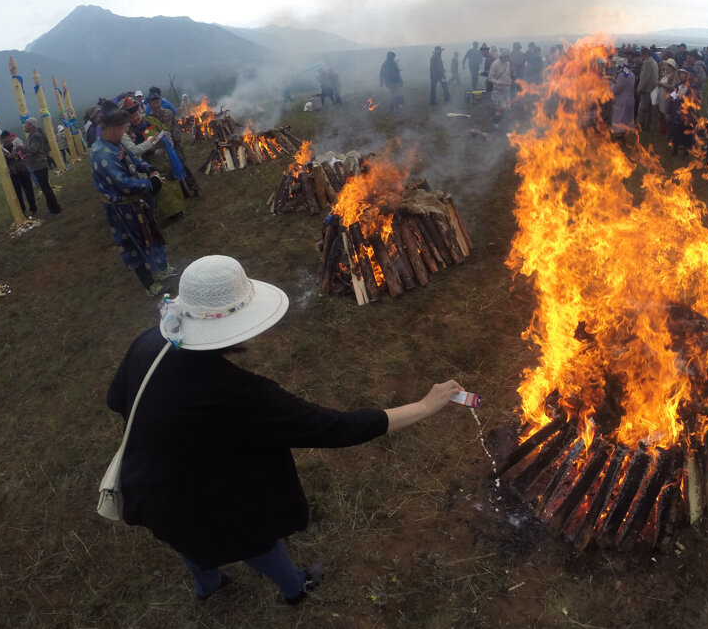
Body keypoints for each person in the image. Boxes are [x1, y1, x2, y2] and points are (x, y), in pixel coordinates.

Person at [106, 254, 464, 603]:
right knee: (252, 539)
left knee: (187, 538)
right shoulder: (241, 395)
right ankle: (295, 587)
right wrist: (423, 406)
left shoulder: (149, 342)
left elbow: (115, 398)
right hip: (212, 499)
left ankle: (208, 585)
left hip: (151, 487)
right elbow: (335, 428)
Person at [90, 100, 174, 295]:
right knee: (134, 245)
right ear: (112, 128)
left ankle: (161, 269)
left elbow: (133, 159)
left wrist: (149, 168)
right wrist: (150, 184)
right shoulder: (100, 153)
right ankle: (149, 284)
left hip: (137, 201)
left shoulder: (116, 142)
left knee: (152, 235)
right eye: (122, 128)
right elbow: (122, 183)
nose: (125, 131)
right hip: (121, 209)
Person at [23, 117, 62, 214]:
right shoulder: (33, 136)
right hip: (38, 165)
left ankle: (55, 208)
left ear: (31, 125)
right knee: (45, 187)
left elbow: (33, 150)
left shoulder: (35, 136)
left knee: (46, 188)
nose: (25, 126)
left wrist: (22, 148)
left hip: (39, 165)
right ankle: (52, 207)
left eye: (27, 124)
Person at [0, 129, 37, 216]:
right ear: (2, 140)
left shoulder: (17, 145)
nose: (7, 139)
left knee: (29, 190)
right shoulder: (0, 150)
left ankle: (33, 207)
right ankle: (22, 211)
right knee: (17, 194)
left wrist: (21, 152)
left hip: (23, 170)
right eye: (4, 138)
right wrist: (8, 157)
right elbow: (0, 162)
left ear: (10, 137)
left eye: (8, 137)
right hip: (12, 174)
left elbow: (26, 153)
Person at [635, 47, 659, 135]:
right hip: (653, 89)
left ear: (645, 54)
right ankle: (648, 126)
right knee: (649, 110)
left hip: (646, 89)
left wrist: (639, 89)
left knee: (642, 109)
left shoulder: (647, 63)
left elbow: (644, 78)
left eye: (642, 55)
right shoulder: (654, 62)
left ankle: (638, 126)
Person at [487, 48, 512, 126]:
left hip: (506, 89)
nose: (508, 59)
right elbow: (490, 78)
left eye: (509, 57)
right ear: (502, 56)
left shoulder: (507, 63)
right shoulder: (495, 64)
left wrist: (509, 79)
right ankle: (495, 121)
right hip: (498, 89)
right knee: (501, 107)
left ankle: (502, 119)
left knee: (507, 106)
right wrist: (499, 83)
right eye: (506, 57)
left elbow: (507, 74)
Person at [611, 59, 635, 140]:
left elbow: (617, 89)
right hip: (631, 99)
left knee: (620, 117)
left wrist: (612, 87)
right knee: (627, 117)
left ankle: (619, 137)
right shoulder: (632, 74)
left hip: (622, 100)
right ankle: (625, 134)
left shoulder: (621, 75)